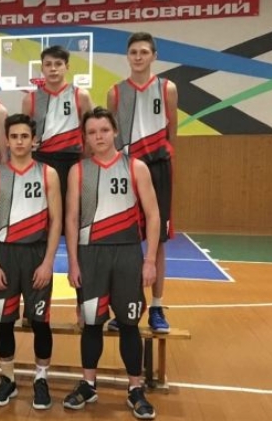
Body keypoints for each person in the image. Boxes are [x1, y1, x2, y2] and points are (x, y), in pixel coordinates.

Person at [63, 107, 160, 420]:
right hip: (91, 255)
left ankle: (135, 388)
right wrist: (73, 262)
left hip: (127, 254)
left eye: (104, 130)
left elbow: (154, 216)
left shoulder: (136, 167)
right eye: (92, 133)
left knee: (129, 324)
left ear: (115, 131)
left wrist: (149, 260)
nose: (99, 137)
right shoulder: (78, 171)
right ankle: (88, 384)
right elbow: (71, 219)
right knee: (91, 323)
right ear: (85, 137)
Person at [0, 114, 62, 409]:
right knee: (3, 322)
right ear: (6, 140)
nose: (19, 141)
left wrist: (48, 262)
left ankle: (41, 379)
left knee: (40, 321)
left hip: (36, 254)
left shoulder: (48, 174)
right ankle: (8, 379)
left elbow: (56, 221)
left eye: (24, 136)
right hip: (4, 255)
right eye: (14, 136)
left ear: (34, 140)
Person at [106, 32, 178, 333]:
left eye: (144, 52)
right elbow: (112, 136)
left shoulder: (167, 88)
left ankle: (157, 307)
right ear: (127, 56)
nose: (138, 57)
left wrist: (165, 161)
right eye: (133, 52)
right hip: (126, 170)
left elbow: (172, 131)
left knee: (157, 240)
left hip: (158, 168)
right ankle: (129, 305)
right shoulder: (115, 93)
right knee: (126, 240)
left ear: (154, 56)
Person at [22, 45, 94, 202]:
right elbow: (24, 135)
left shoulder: (81, 95)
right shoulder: (30, 99)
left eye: (58, 64)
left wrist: (87, 162)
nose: (53, 69)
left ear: (67, 67)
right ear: (42, 68)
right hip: (41, 159)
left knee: (72, 208)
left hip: (72, 159)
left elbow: (90, 133)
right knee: (43, 209)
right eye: (48, 64)